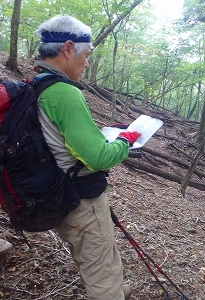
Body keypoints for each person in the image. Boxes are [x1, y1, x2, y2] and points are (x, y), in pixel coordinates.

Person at [33, 15, 139, 300]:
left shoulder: (38, 84)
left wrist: (108, 133)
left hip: (56, 189)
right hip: (81, 199)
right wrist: (126, 141)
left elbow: (60, 137)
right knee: (100, 266)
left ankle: (113, 289)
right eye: (87, 55)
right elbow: (98, 158)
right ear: (68, 48)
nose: (87, 63)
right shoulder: (65, 93)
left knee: (96, 253)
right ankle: (109, 293)